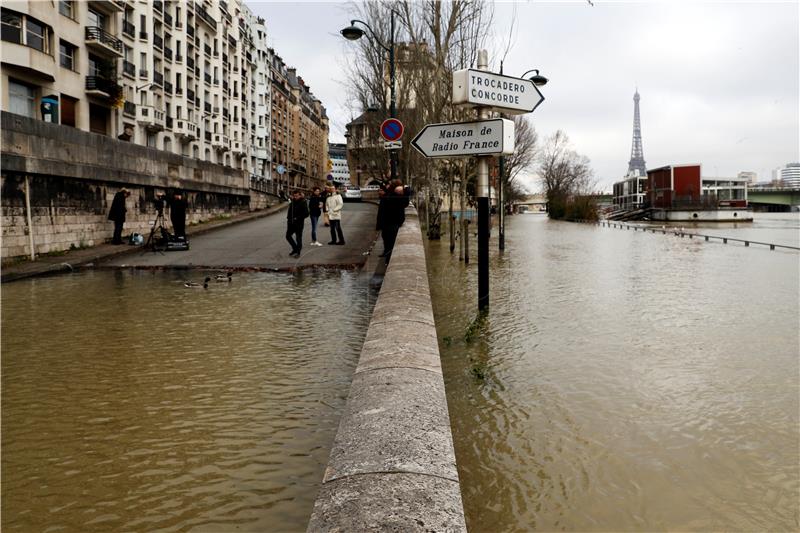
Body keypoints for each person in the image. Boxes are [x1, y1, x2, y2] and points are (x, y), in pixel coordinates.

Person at [381, 180, 411, 260]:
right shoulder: (393, 196)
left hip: (390, 223)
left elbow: (408, 195)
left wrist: (404, 189)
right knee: (389, 241)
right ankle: (387, 257)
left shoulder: (394, 196)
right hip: (390, 222)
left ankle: (387, 258)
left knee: (389, 242)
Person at [285, 189, 309, 257]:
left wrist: (297, 218)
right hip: (290, 223)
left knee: (298, 238)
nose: (295, 197)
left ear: (300, 195)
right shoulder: (292, 202)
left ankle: (298, 252)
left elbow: (306, 214)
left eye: (297, 196)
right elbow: (290, 211)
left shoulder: (303, 202)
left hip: (299, 223)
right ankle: (295, 248)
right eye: (294, 196)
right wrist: (288, 218)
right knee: (288, 236)